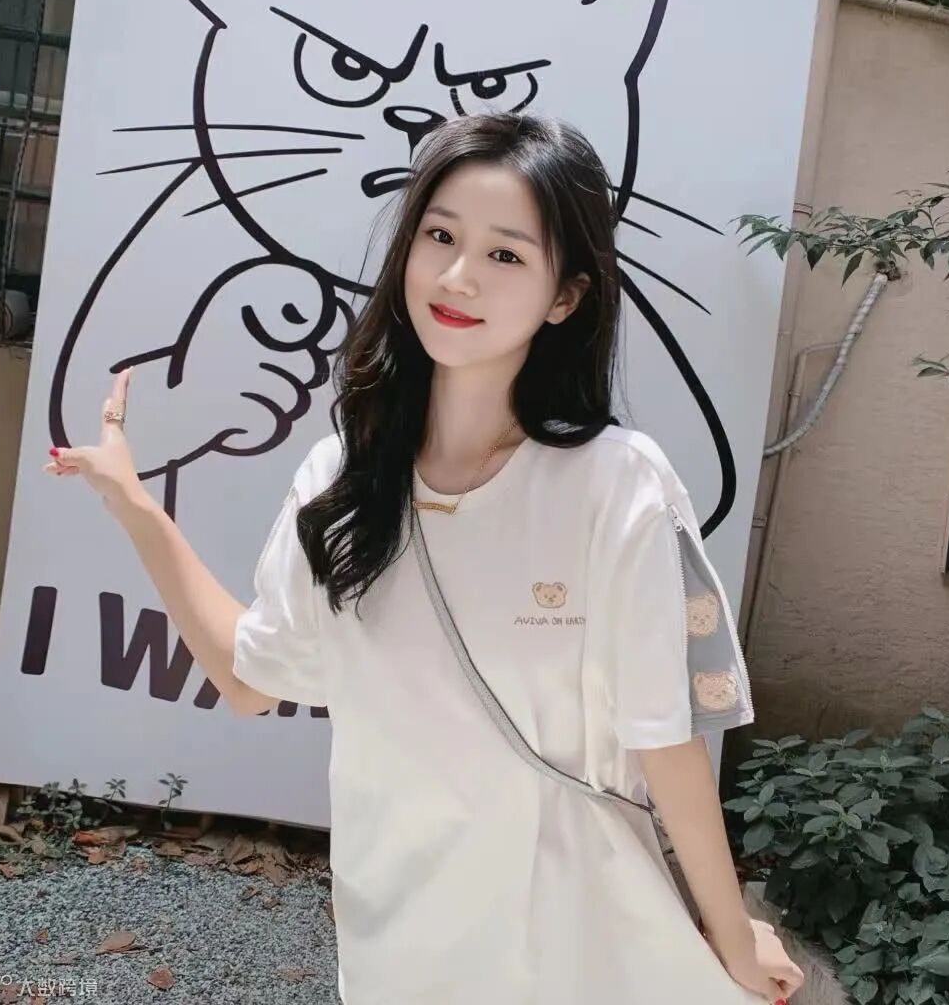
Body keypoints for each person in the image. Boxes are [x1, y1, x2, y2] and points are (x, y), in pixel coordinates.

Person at [46, 113, 804, 1005]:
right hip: (398, 943)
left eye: (506, 255)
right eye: (440, 236)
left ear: (566, 296)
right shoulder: (342, 478)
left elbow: (664, 741)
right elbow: (251, 679)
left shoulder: (616, 484)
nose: (457, 276)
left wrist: (729, 934)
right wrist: (135, 507)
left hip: (582, 940)